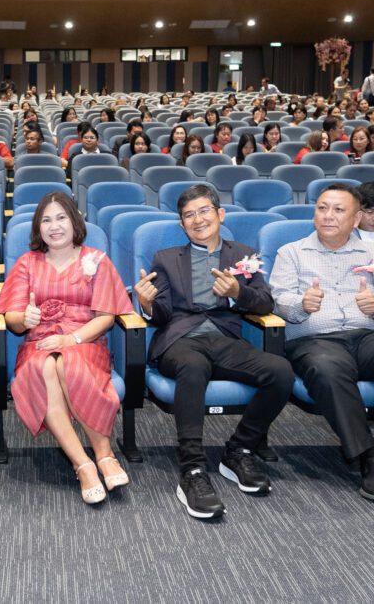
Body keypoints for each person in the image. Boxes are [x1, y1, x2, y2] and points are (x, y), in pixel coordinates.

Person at [269, 183, 374, 504]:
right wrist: (301, 304)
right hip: (316, 340)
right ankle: (368, 456)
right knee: (327, 368)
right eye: (322, 208)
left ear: (356, 218)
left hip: (370, 337)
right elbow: (278, 299)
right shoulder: (291, 252)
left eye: (338, 210)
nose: (328, 216)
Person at [136, 185, 293, 519]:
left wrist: (238, 292)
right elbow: (162, 314)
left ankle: (238, 450)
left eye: (204, 211)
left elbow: (265, 302)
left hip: (225, 340)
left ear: (220, 214)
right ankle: (192, 469)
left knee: (280, 372)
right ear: (181, 224)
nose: (198, 220)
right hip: (180, 340)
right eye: (189, 215)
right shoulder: (166, 259)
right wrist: (147, 305)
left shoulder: (244, 255)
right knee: (192, 366)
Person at [0, 192, 132, 504]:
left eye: (61, 218)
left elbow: (106, 317)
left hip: (85, 340)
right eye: (46, 220)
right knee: (45, 366)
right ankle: (83, 464)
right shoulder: (27, 263)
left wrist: (72, 340)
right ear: (38, 228)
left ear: (75, 221)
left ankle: (104, 454)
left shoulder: (96, 260)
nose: (54, 226)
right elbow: (12, 318)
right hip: (39, 342)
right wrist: (24, 318)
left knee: (66, 363)